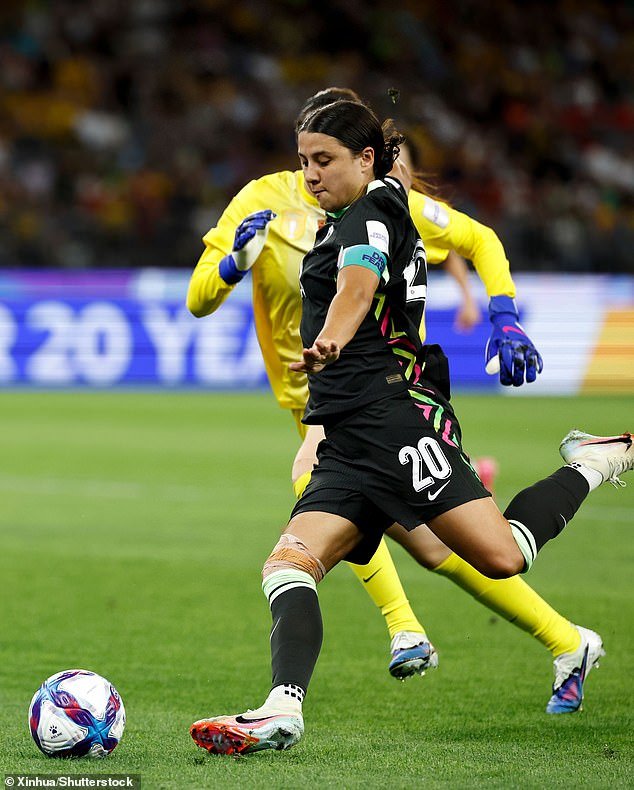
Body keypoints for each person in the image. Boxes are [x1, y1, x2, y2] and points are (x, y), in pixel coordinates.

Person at [189, 100, 632, 755]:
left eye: (324, 160)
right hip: (346, 431)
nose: (309, 174)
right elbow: (212, 293)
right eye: (304, 158)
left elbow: (357, 286)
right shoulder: (340, 206)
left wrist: (334, 340)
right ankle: (283, 708)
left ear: (365, 160)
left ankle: (595, 461)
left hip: (392, 420)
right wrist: (238, 261)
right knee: (291, 565)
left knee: (503, 555)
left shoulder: (367, 217)